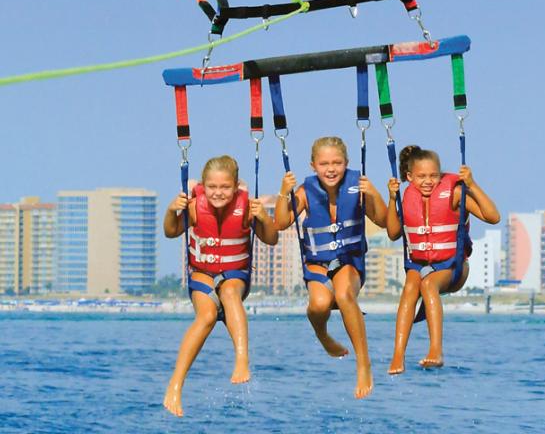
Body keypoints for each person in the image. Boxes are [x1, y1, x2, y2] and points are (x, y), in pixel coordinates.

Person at [163, 155, 278, 417]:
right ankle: (175, 386)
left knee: (228, 293)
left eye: (225, 187)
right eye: (212, 187)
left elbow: (271, 239)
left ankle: (241, 361)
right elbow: (170, 232)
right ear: (204, 185)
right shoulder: (194, 206)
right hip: (202, 274)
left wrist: (264, 217)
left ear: (236, 186)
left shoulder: (247, 206)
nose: (218, 193)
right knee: (206, 316)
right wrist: (172, 211)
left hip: (235, 274)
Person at [275, 136, 387, 399]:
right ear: (313, 165)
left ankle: (363, 364)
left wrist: (375, 194)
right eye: (324, 163)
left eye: (337, 162)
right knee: (318, 306)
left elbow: (383, 220)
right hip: (317, 264)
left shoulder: (358, 186)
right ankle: (323, 335)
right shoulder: (304, 191)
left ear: (346, 163)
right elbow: (280, 223)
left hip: (350, 261)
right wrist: (284, 192)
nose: (331, 168)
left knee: (345, 294)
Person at [386, 145, 500, 374]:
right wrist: (392, 199)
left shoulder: (455, 193)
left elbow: (493, 217)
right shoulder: (406, 196)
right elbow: (393, 232)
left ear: (440, 174)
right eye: (421, 176)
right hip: (419, 264)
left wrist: (472, 185)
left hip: (453, 267)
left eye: (433, 176)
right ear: (409, 176)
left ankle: (436, 350)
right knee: (410, 286)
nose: (428, 181)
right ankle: (398, 356)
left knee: (428, 284)